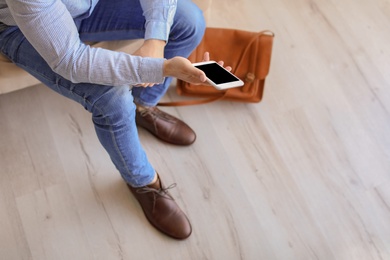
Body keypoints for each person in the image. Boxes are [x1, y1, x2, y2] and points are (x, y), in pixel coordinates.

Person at [0, 0, 230, 240]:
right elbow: (72, 61)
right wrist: (160, 68)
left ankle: (142, 104)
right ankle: (142, 181)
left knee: (189, 22)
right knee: (113, 98)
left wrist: (156, 40)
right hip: (19, 26)